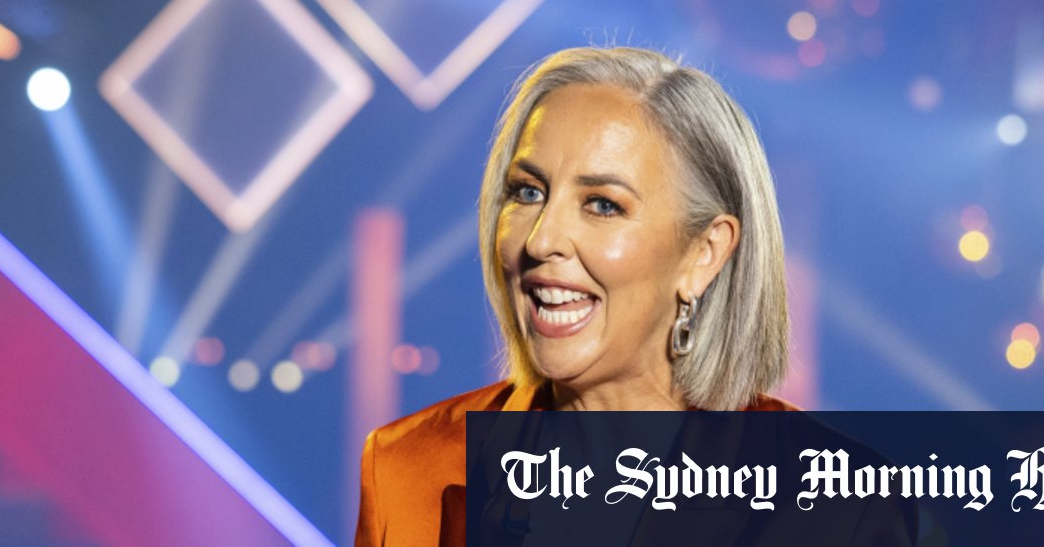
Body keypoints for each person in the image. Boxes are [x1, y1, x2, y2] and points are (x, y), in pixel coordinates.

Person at [354, 47, 914, 546]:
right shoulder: (405, 468)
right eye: (527, 192)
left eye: (602, 204)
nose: (541, 240)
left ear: (704, 253)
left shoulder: (842, 510)